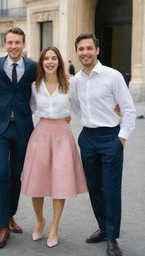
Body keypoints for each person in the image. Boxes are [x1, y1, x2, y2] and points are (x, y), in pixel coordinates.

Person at [72, 33, 136, 256]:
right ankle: (102, 227)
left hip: (111, 138)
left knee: (110, 190)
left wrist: (122, 137)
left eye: (89, 48)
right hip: (88, 138)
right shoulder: (76, 80)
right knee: (94, 188)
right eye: (81, 49)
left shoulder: (113, 76)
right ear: (77, 52)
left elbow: (128, 109)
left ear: (97, 50)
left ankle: (112, 237)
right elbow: (75, 106)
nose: (85, 53)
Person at [21, 46, 87, 248]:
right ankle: (40, 220)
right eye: (46, 59)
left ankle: (54, 228)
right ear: (41, 63)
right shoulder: (35, 85)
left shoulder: (70, 83)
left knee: (61, 183)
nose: (50, 61)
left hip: (62, 136)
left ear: (59, 61)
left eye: (53, 58)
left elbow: (80, 106)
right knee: (37, 184)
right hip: (41, 134)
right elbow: (30, 107)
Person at [0, 27, 36, 248]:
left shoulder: (33, 67)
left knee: (16, 175)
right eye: (10, 42)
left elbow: (53, 77)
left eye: (17, 42)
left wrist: (72, 78)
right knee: (0, 174)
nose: (13, 46)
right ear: (5, 44)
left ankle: (9, 215)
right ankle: (2, 227)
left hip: (23, 128)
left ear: (23, 44)